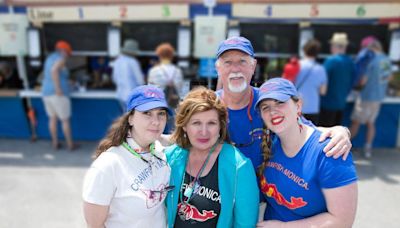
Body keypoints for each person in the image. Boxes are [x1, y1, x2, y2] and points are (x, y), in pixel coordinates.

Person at [214, 36, 352, 173]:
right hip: (220, 191)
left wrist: (340, 131)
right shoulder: (207, 105)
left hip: (266, 192)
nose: (235, 69)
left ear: (253, 66)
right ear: (218, 68)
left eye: (242, 61)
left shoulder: (268, 101)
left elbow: (304, 129)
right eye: (228, 62)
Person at [255, 78, 358, 227]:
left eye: (280, 102)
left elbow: (342, 221)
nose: (272, 111)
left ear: (298, 106)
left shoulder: (330, 151)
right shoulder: (270, 142)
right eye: (265, 107)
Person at [165, 87, 259, 227]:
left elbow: (246, 223)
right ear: (184, 125)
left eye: (211, 123)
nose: (204, 132)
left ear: (220, 127)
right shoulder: (170, 158)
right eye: (196, 123)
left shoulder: (239, 167)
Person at [82, 85, 173, 228]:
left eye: (161, 113)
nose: (156, 121)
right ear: (130, 118)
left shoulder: (159, 149)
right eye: (147, 113)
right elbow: (94, 224)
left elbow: (183, 138)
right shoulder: (108, 164)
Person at [349, 39, 392, 158]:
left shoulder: (371, 60)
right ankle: (368, 148)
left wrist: (357, 85)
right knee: (371, 123)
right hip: (379, 97)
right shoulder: (386, 60)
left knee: (356, 123)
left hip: (366, 96)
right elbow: (389, 77)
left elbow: (363, 80)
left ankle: (344, 145)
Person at [41, 40, 76, 151]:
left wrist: (67, 82)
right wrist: (58, 88)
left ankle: (55, 143)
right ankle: (70, 145)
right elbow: (54, 70)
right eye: (68, 53)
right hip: (58, 94)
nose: (68, 56)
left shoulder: (50, 58)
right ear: (64, 51)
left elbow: (52, 74)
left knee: (52, 118)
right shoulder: (61, 59)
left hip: (46, 92)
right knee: (64, 120)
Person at [320, 33, 356, 127]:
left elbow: (322, 81)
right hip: (341, 103)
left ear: (336, 46)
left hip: (326, 103)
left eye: (332, 45)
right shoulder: (351, 62)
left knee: (324, 134)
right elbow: (353, 81)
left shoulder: (331, 61)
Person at [148, 42, 184, 133]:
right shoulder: (177, 71)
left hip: (158, 103)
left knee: (157, 127)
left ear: (159, 55)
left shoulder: (154, 70)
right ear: (171, 56)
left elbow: (150, 89)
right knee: (173, 127)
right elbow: (181, 90)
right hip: (173, 102)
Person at [294, 39, 327, 124]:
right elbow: (323, 91)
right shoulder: (321, 69)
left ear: (304, 50)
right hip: (313, 107)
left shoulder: (297, 65)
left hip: (297, 105)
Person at [112, 39, 145, 111]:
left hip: (120, 94)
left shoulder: (117, 61)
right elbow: (140, 81)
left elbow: (114, 78)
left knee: (126, 117)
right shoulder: (133, 62)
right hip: (132, 96)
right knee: (133, 118)